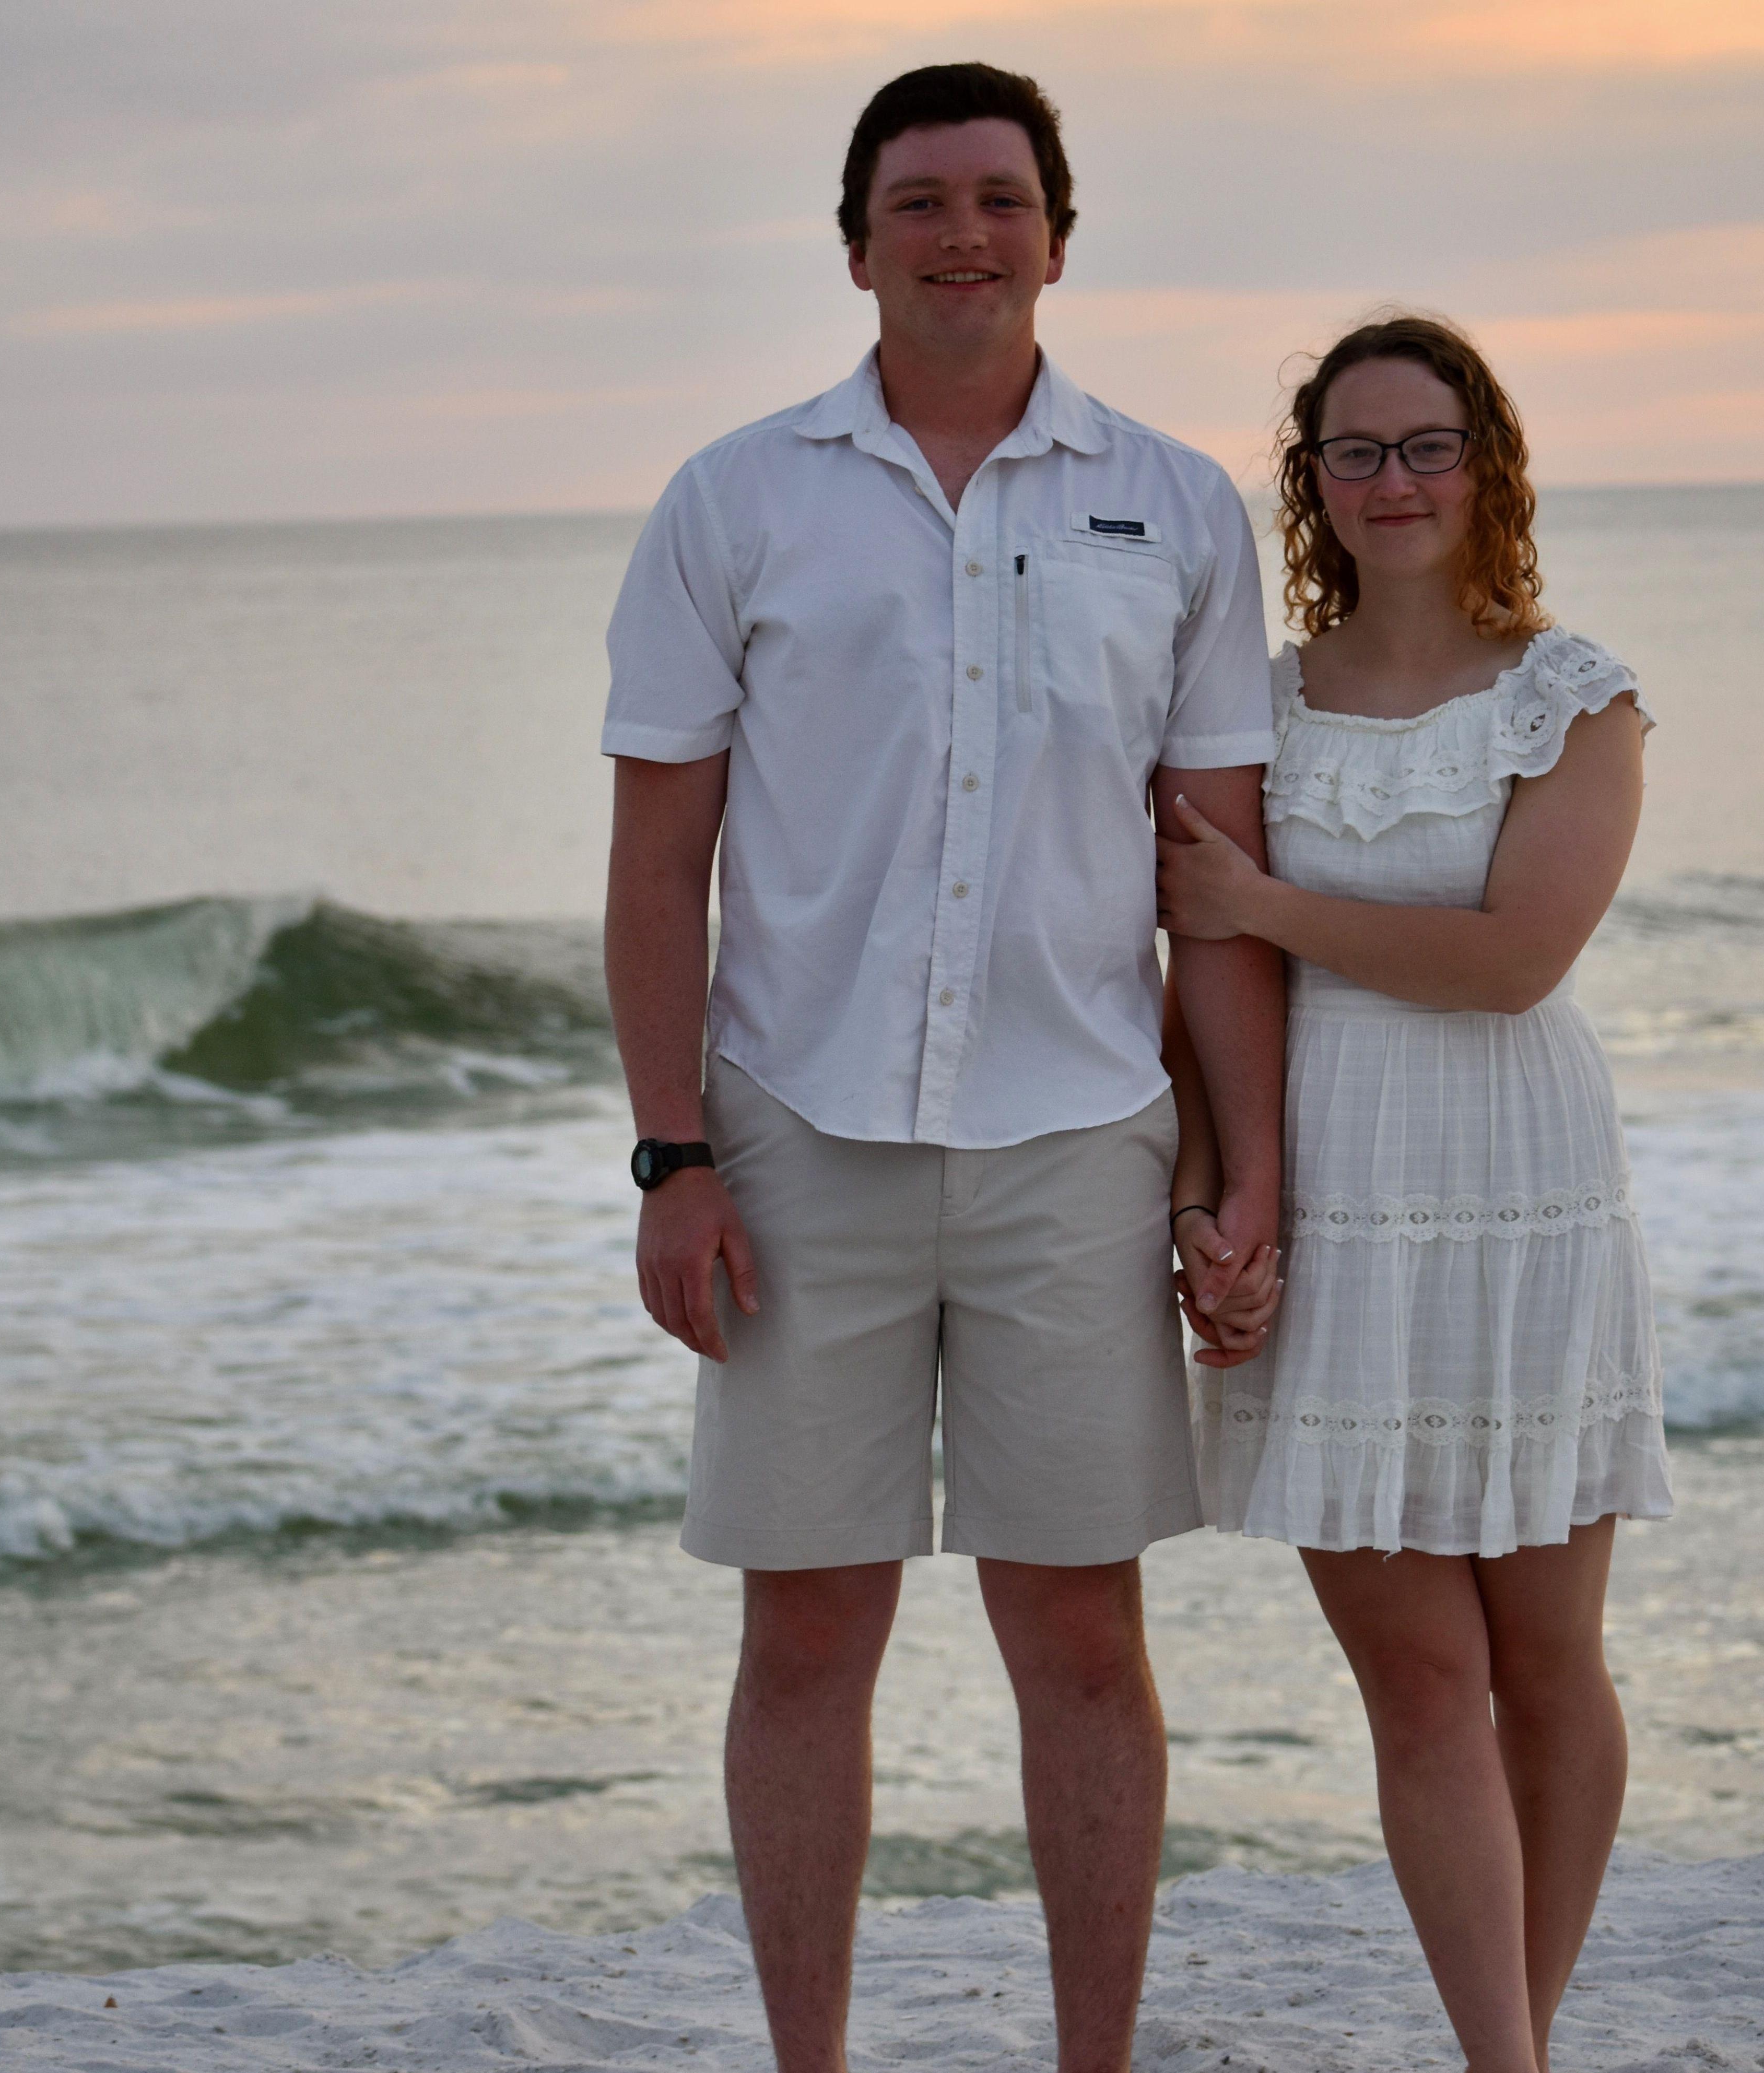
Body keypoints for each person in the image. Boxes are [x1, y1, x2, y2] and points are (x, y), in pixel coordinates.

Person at [600, 63, 1283, 2073]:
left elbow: (1216, 884)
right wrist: (671, 1158)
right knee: (808, 1631)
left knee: (1079, 1634)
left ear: (1059, 236)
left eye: (1000, 198)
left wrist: (1245, 1171)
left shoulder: (1176, 504)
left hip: (1080, 1140)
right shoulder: (738, 498)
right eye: (920, 202)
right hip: (795, 1138)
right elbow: (657, 862)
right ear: (854, 249)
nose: (963, 233)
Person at [1157, 314, 1673, 2073]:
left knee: (1549, 1661)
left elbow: (1517, 960)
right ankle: (1504, 2057)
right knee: (1420, 1680)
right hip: (1334, 1200)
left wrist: (1263, 905)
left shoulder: (1573, 698)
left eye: (1427, 445)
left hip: (1522, 1197)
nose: (1394, 480)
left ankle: (1516, 2045)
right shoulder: (1255, 705)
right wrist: (1208, 1202)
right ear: (1312, 481)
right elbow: (1198, 995)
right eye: (1356, 451)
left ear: (1487, 464)